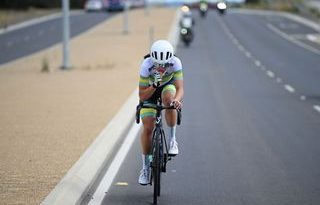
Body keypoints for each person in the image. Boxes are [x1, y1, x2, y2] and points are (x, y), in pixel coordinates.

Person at [138, 40, 184, 185]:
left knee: (169, 101)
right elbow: (142, 96)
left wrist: (176, 100)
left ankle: (172, 141)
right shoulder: (146, 65)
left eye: (164, 64)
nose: (161, 67)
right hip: (150, 91)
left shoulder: (176, 62)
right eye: (158, 64)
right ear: (152, 59)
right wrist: (154, 85)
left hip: (167, 88)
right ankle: (145, 168)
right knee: (148, 127)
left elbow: (180, 88)